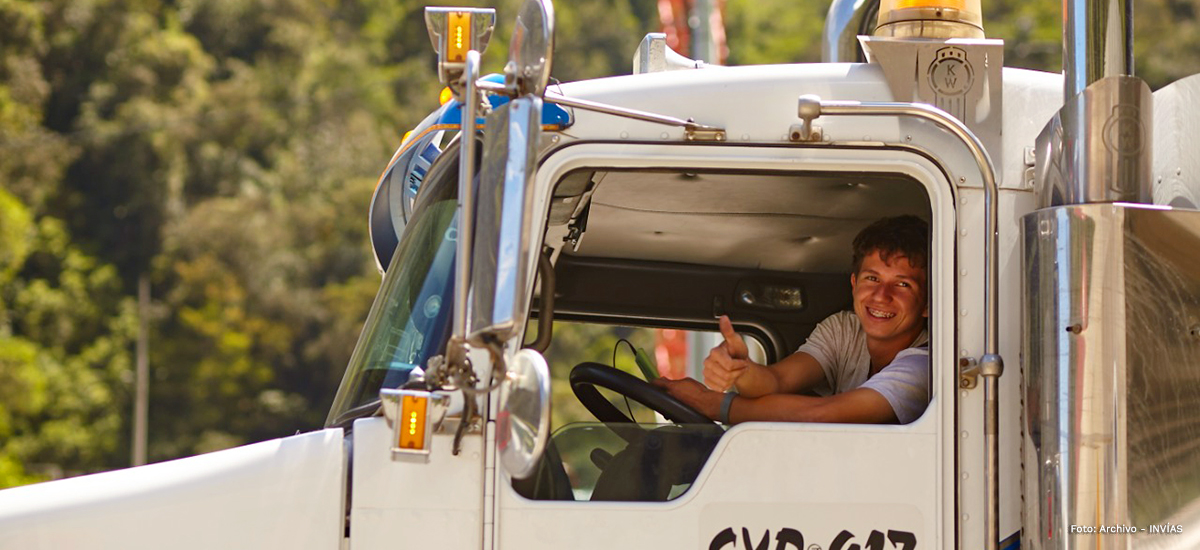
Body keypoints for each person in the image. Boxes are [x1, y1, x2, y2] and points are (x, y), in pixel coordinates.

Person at [654, 215, 930, 425]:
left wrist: (711, 404)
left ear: (928, 303)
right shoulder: (844, 329)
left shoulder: (925, 366)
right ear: (855, 284)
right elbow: (776, 380)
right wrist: (742, 369)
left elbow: (822, 415)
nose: (881, 296)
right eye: (872, 278)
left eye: (903, 285)